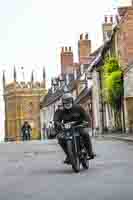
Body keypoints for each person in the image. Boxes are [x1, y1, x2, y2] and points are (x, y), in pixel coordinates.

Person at [53, 92, 96, 164]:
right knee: (60, 138)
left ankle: (90, 152)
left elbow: (86, 116)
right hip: (67, 129)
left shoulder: (78, 107)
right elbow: (56, 119)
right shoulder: (60, 110)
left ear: (72, 101)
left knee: (85, 134)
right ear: (63, 103)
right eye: (65, 102)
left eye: (69, 101)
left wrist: (86, 122)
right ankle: (68, 155)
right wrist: (58, 124)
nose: (67, 103)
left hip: (79, 126)